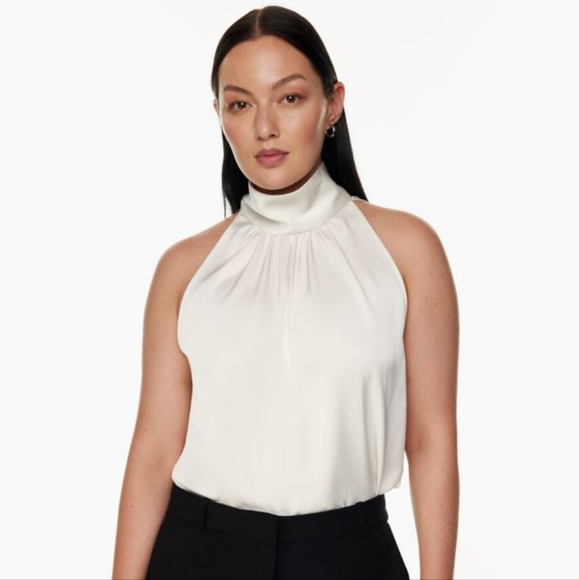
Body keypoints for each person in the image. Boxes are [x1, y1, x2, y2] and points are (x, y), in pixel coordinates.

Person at [112, 6, 459, 580]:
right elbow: (153, 452)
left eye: (289, 98)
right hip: (198, 556)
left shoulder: (405, 251)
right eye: (240, 104)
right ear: (219, 115)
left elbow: (430, 439)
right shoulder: (185, 269)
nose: (264, 127)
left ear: (333, 104)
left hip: (350, 557)